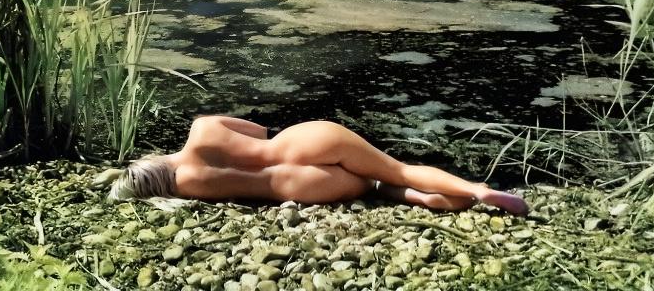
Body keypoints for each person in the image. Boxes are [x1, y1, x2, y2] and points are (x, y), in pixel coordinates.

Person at [109, 116, 528, 215]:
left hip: (303, 187)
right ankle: (477, 190)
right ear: (149, 161)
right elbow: (261, 132)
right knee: (397, 168)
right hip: (303, 142)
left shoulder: (188, 188)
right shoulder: (202, 128)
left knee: (376, 188)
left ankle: (424, 200)